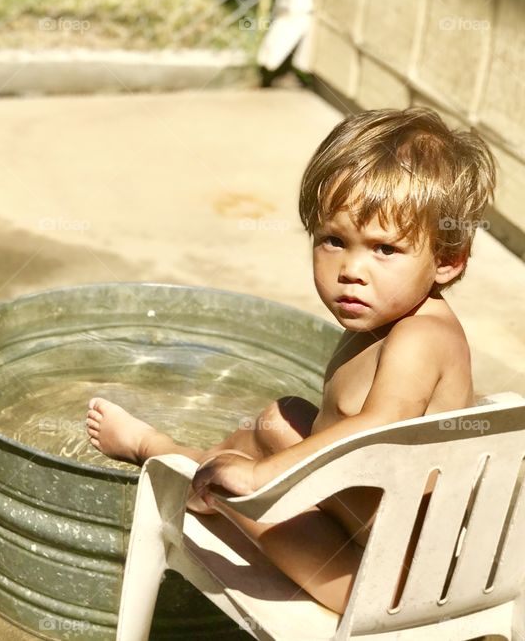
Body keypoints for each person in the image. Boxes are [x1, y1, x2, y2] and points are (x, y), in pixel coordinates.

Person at [85, 107, 497, 614]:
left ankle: (162, 454)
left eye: (384, 249)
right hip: (365, 526)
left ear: (447, 260)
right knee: (278, 418)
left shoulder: (422, 337)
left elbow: (380, 424)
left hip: (380, 584)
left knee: (241, 478)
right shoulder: (387, 318)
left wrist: (260, 478)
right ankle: (193, 474)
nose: (351, 270)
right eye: (334, 241)